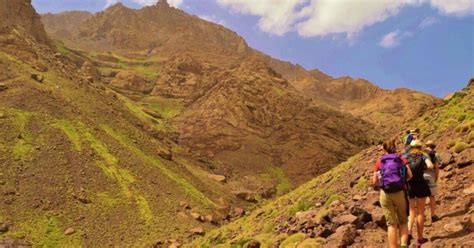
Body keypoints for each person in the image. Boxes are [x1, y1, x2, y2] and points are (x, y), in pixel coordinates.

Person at [372, 139, 413, 248]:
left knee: (391, 224)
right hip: (399, 192)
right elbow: (410, 175)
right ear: (394, 147)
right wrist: (401, 181)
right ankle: (404, 245)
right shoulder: (401, 158)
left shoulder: (380, 161)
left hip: (385, 193)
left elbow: (374, 181)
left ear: (384, 148)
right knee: (403, 221)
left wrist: (383, 183)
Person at [405, 140, 434, 246]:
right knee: (420, 212)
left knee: (411, 210)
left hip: (410, 186)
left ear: (411, 147)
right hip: (421, 185)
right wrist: (424, 168)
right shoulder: (423, 156)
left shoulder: (406, 156)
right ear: (420, 147)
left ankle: (408, 232)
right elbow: (430, 166)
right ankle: (420, 238)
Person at [424, 140, 440, 222]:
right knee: (432, 196)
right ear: (433, 146)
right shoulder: (435, 154)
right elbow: (436, 168)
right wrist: (436, 178)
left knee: (421, 197)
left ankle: (421, 215)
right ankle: (433, 215)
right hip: (431, 176)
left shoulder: (421, 153)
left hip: (421, 176)